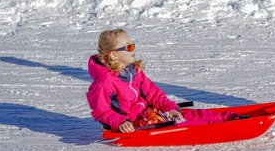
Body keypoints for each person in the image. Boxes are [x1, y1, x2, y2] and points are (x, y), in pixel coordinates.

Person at [87, 29, 240, 133]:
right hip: (134, 124)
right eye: (129, 47)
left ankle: (230, 119)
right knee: (185, 125)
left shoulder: (133, 70)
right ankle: (226, 128)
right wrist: (120, 122)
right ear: (114, 55)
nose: (133, 49)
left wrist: (170, 108)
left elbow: (153, 94)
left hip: (147, 114)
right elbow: (101, 111)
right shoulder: (104, 82)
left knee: (189, 116)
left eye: (132, 45)